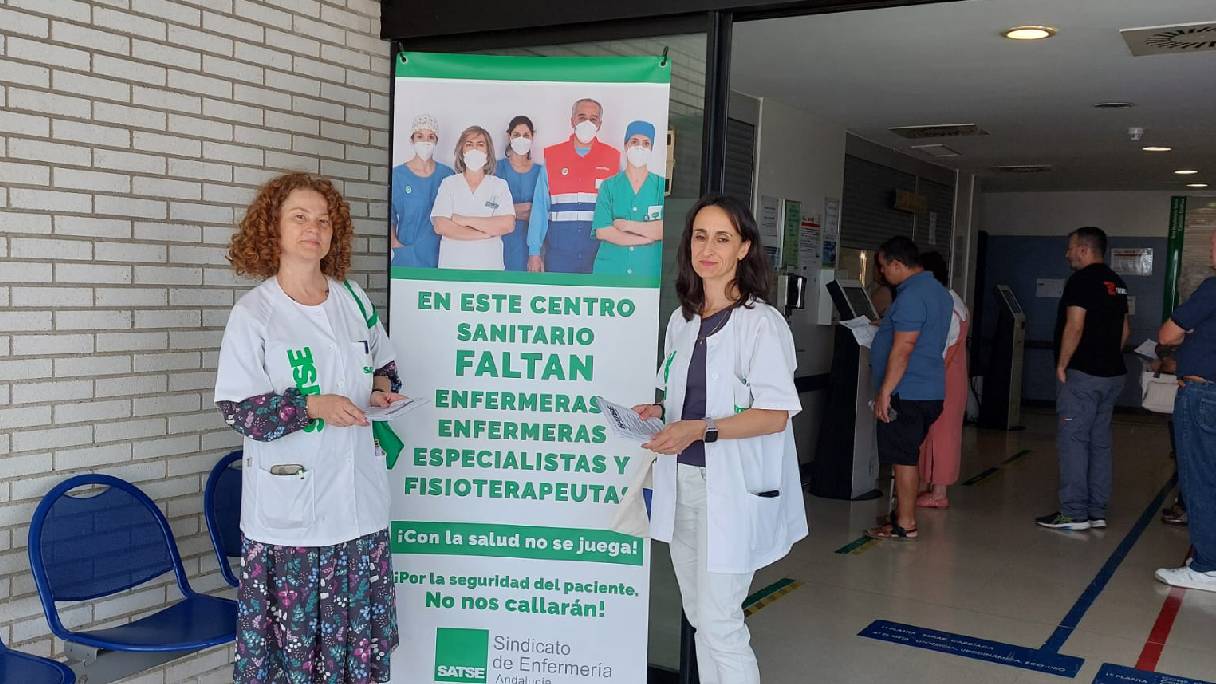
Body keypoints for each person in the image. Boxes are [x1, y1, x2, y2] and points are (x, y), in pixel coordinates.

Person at [215, 173, 401, 683]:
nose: (313, 229)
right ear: (272, 229)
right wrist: (312, 406)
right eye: (299, 217)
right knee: (292, 661)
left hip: (359, 509)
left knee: (354, 658)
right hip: (289, 519)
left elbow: (384, 365)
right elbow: (239, 409)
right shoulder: (254, 314)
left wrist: (382, 389)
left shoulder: (354, 300)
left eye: (323, 220)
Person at [633, 195, 806, 684]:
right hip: (683, 484)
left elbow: (774, 415)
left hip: (731, 492)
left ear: (744, 248)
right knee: (700, 619)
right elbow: (679, 395)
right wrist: (658, 412)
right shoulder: (682, 320)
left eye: (723, 238)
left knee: (721, 622)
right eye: (700, 236)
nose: (708, 248)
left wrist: (702, 428)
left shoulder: (761, 324)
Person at [1037, 226, 1129, 531]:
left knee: (1074, 440)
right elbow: (1124, 330)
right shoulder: (1117, 283)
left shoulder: (1081, 280)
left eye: (1070, 248)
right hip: (1112, 374)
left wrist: (1063, 365)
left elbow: (1074, 326)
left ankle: (1074, 513)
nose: (1067, 254)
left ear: (1084, 250)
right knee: (1099, 442)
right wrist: (1106, 356)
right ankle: (1096, 510)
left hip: (1084, 375)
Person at [865, 236, 952, 541]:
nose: (882, 273)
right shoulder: (940, 293)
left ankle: (905, 522)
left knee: (903, 458)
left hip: (908, 391)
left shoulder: (912, 297)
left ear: (898, 264)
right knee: (908, 454)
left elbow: (904, 347)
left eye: (883, 266)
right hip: (930, 390)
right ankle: (900, 514)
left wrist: (885, 391)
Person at [1154, 229, 1216, 592]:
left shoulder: (1211, 289)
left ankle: (1208, 565)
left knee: (1200, 478)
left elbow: (1166, 334)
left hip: (1203, 394)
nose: (1210, 247)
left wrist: (1185, 335)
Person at [528, 98, 622, 273]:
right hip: (558, 256)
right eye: (581, 117)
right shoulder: (553, 157)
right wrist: (534, 252)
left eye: (593, 119)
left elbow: (621, 210)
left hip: (600, 255)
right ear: (572, 121)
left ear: (599, 124)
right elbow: (540, 208)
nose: (587, 122)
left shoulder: (613, 159)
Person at [916, 251, 969, 509]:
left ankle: (939, 493)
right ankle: (931, 485)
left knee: (942, 434)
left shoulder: (947, 305)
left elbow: (943, 347)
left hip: (944, 379)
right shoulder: (950, 300)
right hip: (947, 377)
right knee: (936, 432)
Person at [431, 125, 516, 270]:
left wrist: (462, 220)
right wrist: (483, 233)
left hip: (489, 268)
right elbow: (441, 225)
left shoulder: (499, 185)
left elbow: (507, 224)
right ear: (462, 151)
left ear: (488, 152)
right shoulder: (449, 184)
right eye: (469, 144)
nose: (474, 149)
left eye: (480, 144)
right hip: (452, 268)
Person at [591, 120, 665, 279]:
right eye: (634, 142)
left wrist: (626, 225)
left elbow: (664, 229)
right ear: (626, 145)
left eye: (646, 143)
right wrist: (645, 239)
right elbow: (603, 231)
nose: (640, 147)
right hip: (611, 270)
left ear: (651, 149)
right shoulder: (609, 186)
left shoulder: (660, 186)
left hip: (647, 272)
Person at [390, 114, 454, 268]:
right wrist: (394, 243)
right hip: (408, 253)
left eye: (430, 137)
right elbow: (389, 215)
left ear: (436, 140)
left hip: (442, 253)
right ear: (412, 140)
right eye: (420, 136)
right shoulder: (398, 175)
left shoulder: (447, 175)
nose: (426, 141)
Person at [495, 116, 544, 272]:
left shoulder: (540, 172)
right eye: (516, 135)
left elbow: (542, 212)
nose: (521, 139)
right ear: (509, 137)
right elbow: (488, 209)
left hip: (531, 246)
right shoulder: (496, 168)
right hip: (500, 241)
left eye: (526, 135)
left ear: (532, 137)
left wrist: (508, 210)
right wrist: (523, 210)